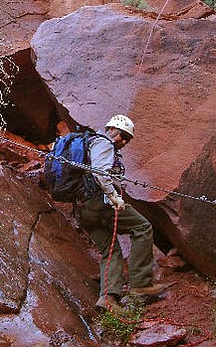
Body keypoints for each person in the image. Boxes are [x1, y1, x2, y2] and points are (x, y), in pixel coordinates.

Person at [75, 114, 167, 311]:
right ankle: (141, 285)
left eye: (128, 139)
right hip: (101, 203)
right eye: (123, 136)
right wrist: (115, 197)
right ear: (112, 130)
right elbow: (100, 173)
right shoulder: (103, 143)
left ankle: (108, 300)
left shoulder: (88, 144)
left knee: (110, 250)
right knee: (142, 227)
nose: (124, 142)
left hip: (83, 209)